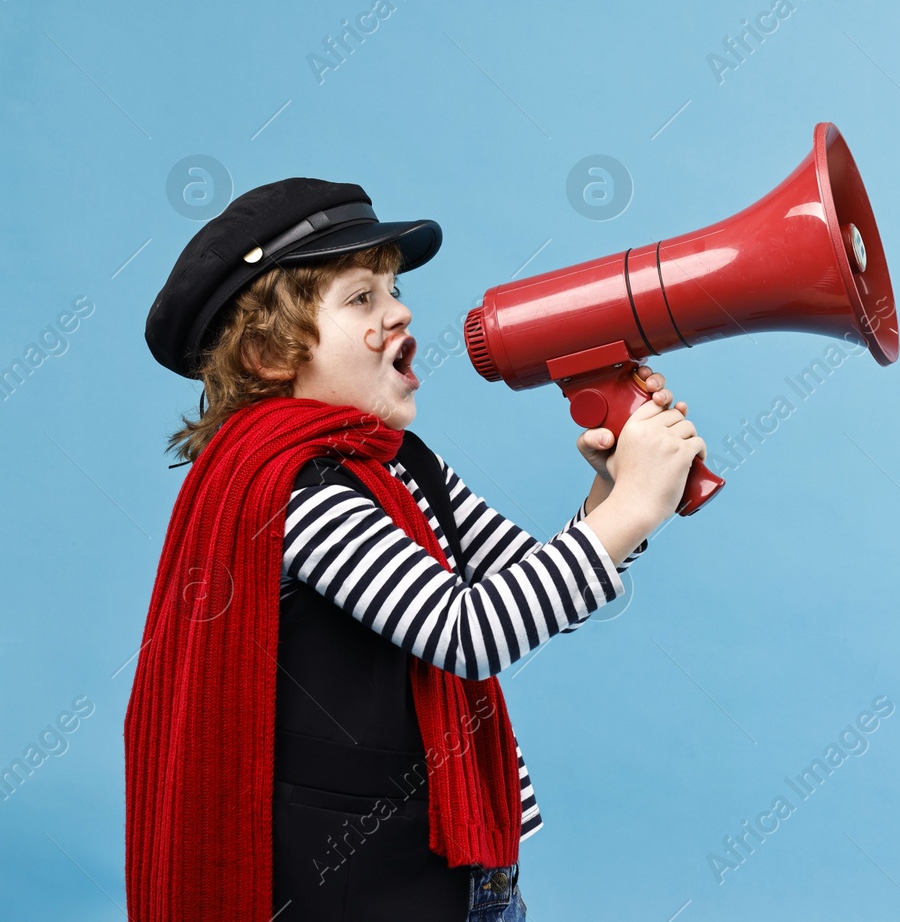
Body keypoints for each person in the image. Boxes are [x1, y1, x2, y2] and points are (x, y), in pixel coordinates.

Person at [128, 178, 705, 921]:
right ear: (272, 351)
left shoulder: (401, 461)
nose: (400, 309)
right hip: (367, 885)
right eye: (361, 298)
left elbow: (536, 594)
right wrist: (629, 509)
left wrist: (609, 501)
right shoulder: (298, 495)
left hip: (473, 877)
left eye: (394, 287)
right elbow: (469, 632)